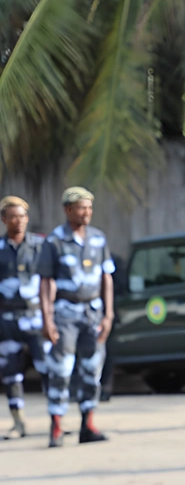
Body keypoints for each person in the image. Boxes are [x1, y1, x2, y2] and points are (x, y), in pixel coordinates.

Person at [39, 187, 115, 447]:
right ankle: (57, 426)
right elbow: (46, 282)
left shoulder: (98, 238)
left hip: (92, 314)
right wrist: (47, 319)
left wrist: (108, 314)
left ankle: (88, 425)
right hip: (65, 314)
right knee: (61, 370)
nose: (87, 213)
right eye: (82, 208)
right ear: (68, 210)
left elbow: (107, 277)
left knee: (92, 369)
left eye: (90, 208)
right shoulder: (54, 241)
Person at [0, 196, 49, 439]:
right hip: (7, 320)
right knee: (11, 372)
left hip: (37, 318)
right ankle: (18, 423)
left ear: (27, 219)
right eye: (12, 217)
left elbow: (50, 282)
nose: (17, 221)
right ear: (4, 220)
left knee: (48, 368)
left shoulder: (40, 246)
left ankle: (55, 420)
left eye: (21, 216)